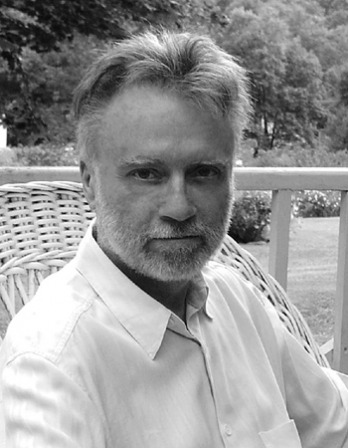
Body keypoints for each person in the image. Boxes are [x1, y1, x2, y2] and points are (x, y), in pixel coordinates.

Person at [0, 29, 348, 448]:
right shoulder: (51, 365)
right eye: (147, 173)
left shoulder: (236, 300)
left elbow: (333, 426)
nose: (179, 207)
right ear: (89, 181)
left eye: (204, 172)